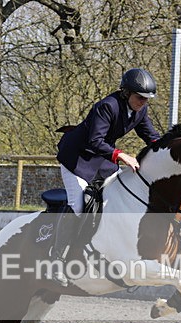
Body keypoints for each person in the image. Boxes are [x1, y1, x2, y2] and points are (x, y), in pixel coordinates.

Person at [49, 68, 163, 286]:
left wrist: (168, 150)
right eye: (140, 97)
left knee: (117, 197)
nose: (143, 102)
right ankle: (57, 258)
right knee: (79, 203)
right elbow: (94, 141)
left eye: (147, 99)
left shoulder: (140, 111)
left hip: (101, 158)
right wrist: (122, 156)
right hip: (77, 158)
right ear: (126, 93)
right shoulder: (106, 107)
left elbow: (152, 137)